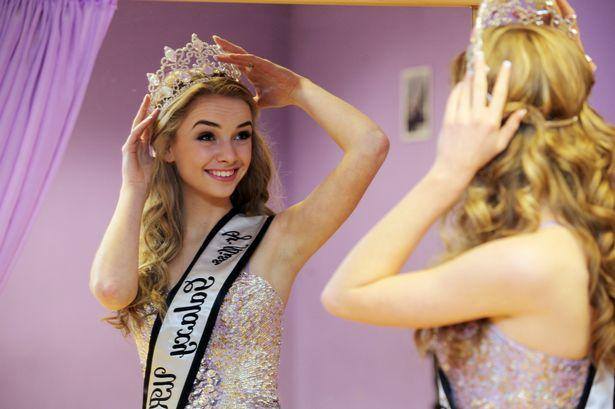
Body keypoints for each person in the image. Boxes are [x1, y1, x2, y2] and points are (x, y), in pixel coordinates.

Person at [322, 1, 614, 407]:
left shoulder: (528, 262)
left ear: (482, 115)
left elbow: (345, 293)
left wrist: (447, 172)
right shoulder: (569, 238)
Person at [89, 33, 388, 408]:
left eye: (241, 135)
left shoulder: (279, 238)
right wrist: (134, 186)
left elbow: (370, 144)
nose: (229, 155)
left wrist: (298, 90)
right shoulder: (149, 250)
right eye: (207, 136)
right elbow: (111, 290)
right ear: (167, 147)